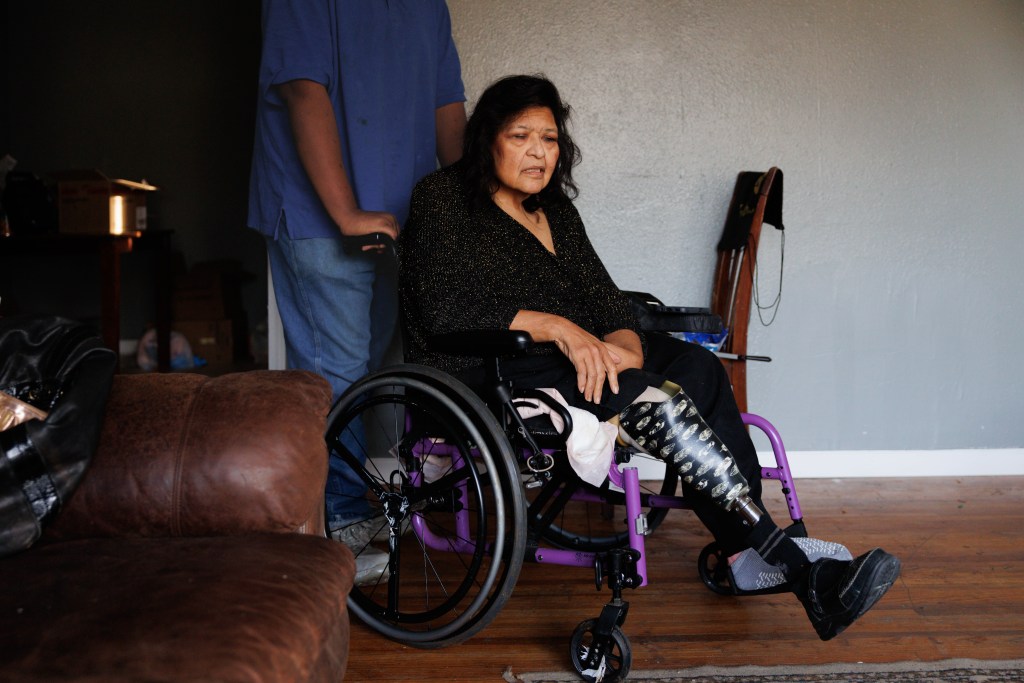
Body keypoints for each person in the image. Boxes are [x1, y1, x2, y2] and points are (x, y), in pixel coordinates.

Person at [397, 74, 900, 641]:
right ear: (489, 138)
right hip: (494, 366)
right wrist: (561, 329)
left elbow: (606, 298)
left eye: (551, 138)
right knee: (658, 401)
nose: (540, 151)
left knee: (698, 368)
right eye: (522, 136)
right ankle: (801, 569)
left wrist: (625, 350)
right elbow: (442, 307)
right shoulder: (442, 199)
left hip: (578, 356)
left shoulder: (554, 209)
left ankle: (742, 555)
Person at [247, 0, 467, 583]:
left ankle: (357, 509)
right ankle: (336, 523)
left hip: (404, 214)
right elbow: (302, 90)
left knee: (379, 373)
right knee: (335, 375)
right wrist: (345, 210)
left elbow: (448, 108)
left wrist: (473, 211)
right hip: (322, 216)